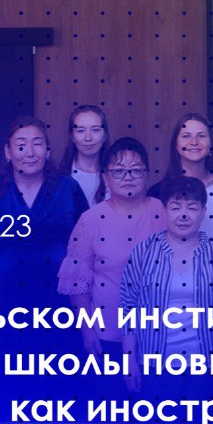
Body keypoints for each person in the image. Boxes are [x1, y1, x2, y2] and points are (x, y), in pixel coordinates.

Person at [0, 116, 89, 357]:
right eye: (21, 145)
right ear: (8, 152)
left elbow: (85, 253)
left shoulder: (69, 189)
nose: (30, 153)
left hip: (60, 307)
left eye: (37, 143)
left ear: (48, 150)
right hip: (4, 309)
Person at [57, 138, 165, 397]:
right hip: (107, 333)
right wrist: (87, 331)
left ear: (147, 176)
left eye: (135, 170)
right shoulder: (91, 219)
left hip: (159, 334)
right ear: (105, 177)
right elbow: (77, 284)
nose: (128, 177)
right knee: (112, 409)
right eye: (118, 171)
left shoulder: (161, 211)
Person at [119, 176, 213, 400]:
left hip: (205, 366)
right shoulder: (143, 251)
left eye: (192, 208)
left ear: (203, 212)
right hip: (154, 365)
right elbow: (127, 308)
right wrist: (129, 360)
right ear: (164, 211)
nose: (183, 215)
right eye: (175, 207)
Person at [149, 112, 213, 197]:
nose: (194, 142)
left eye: (201, 136)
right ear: (176, 145)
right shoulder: (157, 192)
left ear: (211, 144)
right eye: (186, 136)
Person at [59, 105, 110, 204]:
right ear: (72, 137)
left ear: (104, 136)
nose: (88, 138)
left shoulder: (116, 174)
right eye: (80, 131)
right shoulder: (59, 177)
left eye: (95, 130)